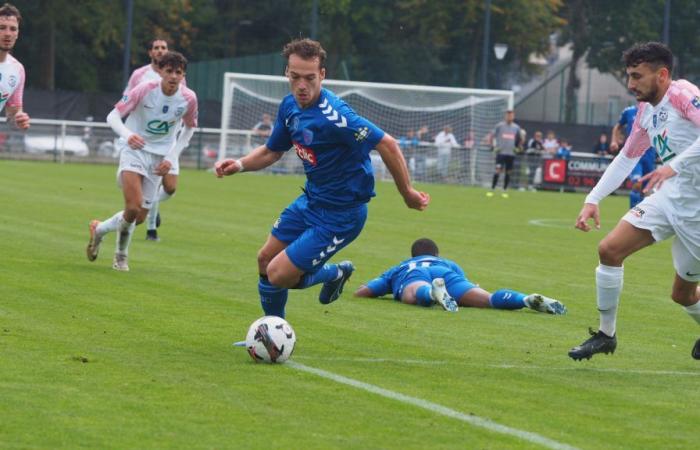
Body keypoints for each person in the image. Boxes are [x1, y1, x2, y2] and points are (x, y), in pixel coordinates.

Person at [214, 38, 429, 319]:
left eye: (310, 78)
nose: (302, 85)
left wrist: (408, 192)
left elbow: (387, 143)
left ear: (323, 75)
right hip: (311, 201)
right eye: (295, 77)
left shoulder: (337, 116)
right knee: (265, 260)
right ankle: (272, 335)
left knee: (278, 274)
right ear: (286, 73)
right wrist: (239, 165)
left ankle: (335, 272)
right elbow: (272, 151)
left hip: (342, 214)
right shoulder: (289, 107)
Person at [570, 42, 700, 361]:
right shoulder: (645, 112)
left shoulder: (682, 94)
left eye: (637, 76)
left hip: (697, 208)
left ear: (663, 74)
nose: (631, 84)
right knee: (609, 249)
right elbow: (628, 157)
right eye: (629, 75)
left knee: (682, 294)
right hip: (668, 198)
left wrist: (673, 165)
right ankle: (606, 335)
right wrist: (593, 199)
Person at [86, 52, 198, 271]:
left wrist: (171, 157)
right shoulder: (144, 90)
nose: (173, 77)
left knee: (137, 217)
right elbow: (113, 116)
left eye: (178, 72)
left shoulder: (188, 98)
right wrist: (128, 136)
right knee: (133, 205)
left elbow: (189, 128)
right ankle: (121, 256)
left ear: (183, 74)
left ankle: (99, 229)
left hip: (159, 158)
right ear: (160, 71)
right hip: (133, 151)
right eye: (169, 71)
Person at [353, 238, 567, 315]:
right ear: (436, 254)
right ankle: (524, 299)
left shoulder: (402, 266)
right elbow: (467, 286)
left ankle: (431, 293)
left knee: (411, 293)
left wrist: (363, 289)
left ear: (413, 255)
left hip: (414, 276)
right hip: (447, 276)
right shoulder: (447, 262)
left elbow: (365, 292)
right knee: (487, 299)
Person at [125, 38, 188, 242]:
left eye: (163, 47)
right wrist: (129, 133)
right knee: (139, 202)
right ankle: (150, 229)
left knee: (170, 188)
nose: (160, 50)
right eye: (156, 48)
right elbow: (127, 101)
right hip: (144, 141)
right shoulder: (140, 75)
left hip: (168, 141)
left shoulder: (177, 75)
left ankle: (151, 206)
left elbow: (183, 104)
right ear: (150, 52)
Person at [612, 105, 658, 208]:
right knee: (637, 183)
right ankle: (631, 214)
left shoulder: (656, 110)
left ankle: (640, 216)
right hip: (634, 155)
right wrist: (614, 141)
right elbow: (618, 127)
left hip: (649, 154)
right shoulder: (629, 111)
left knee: (646, 189)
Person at [0, 3, 29, 131]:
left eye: (13, 29)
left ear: (17, 34)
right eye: (2, 27)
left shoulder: (17, 70)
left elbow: (13, 112)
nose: (8, 33)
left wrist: (19, 119)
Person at [488, 110, 522, 197]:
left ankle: (505, 190)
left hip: (511, 154)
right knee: (498, 170)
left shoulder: (516, 127)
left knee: (508, 172)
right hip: (501, 153)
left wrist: (518, 147)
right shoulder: (499, 126)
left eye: (511, 116)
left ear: (513, 117)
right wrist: (492, 146)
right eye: (508, 115)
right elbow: (491, 136)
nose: (509, 117)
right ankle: (492, 189)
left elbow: (520, 139)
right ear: (505, 116)